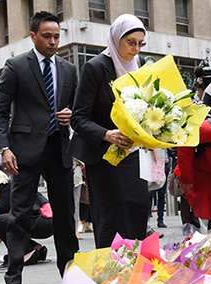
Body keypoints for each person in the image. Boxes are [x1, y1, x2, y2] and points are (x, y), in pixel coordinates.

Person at [0, 11, 78, 284]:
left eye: (57, 36)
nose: (54, 42)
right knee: (18, 218)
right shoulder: (16, 66)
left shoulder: (68, 70)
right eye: (47, 36)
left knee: (66, 217)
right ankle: (13, 282)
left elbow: (77, 112)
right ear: (33, 36)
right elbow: (0, 112)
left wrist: (70, 117)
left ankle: (70, 278)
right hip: (24, 152)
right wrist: (4, 148)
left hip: (59, 150)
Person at [71, 14, 150, 248]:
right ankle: (110, 274)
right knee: (110, 216)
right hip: (104, 158)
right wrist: (107, 134)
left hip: (135, 156)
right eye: (131, 42)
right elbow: (79, 118)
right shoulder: (95, 68)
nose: (135, 49)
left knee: (137, 210)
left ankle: (136, 270)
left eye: (140, 43)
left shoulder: (142, 66)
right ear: (116, 39)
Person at [0, 169, 51, 266]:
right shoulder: (12, 186)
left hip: (40, 221)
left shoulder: (6, 189)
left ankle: (25, 252)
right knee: (6, 222)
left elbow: (2, 211)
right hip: (45, 220)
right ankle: (35, 248)